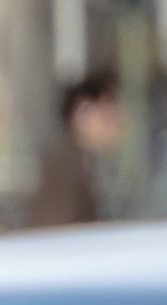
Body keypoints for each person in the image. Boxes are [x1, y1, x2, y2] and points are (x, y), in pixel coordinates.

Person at [26, 75, 126, 231]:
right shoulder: (65, 172)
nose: (117, 121)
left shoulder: (88, 165)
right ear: (83, 113)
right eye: (108, 113)